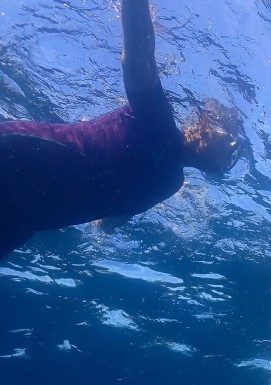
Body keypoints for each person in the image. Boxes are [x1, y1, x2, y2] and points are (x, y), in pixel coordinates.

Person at [0, 0, 242, 259]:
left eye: (233, 154)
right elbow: (138, 57)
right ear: (207, 126)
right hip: (20, 160)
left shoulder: (170, 183)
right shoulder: (160, 126)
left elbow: (111, 219)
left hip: (22, 215)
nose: (231, 147)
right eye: (231, 138)